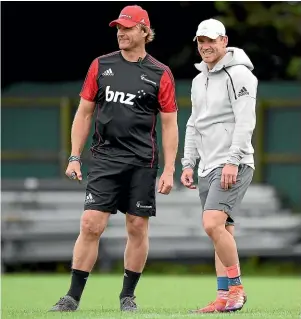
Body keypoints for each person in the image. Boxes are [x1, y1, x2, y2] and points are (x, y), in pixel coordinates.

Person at [50, 5, 178, 312]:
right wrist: (74, 156)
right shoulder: (100, 65)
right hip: (105, 159)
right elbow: (83, 113)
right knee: (91, 224)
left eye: (128, 27)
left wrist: (170, 169)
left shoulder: (160, 73)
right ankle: (72, 297)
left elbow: (170, 123)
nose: (121, 32)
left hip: (142, 162)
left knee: (137, 227)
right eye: (118, 27)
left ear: (145, 32)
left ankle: (127, 296)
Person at [181, 18, 258, 313]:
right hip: (206, 166)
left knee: (212, 222)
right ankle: (223, 296)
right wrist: (188, 163)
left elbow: (245, 120)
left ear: (224, 41)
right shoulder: (199, 80)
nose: (206, 46)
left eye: (211, 40)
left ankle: (237, 289)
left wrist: (232, 160)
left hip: (233, 163)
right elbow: (193, 123)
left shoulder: (241, 75)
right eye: (201, 41)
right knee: (220, 229)